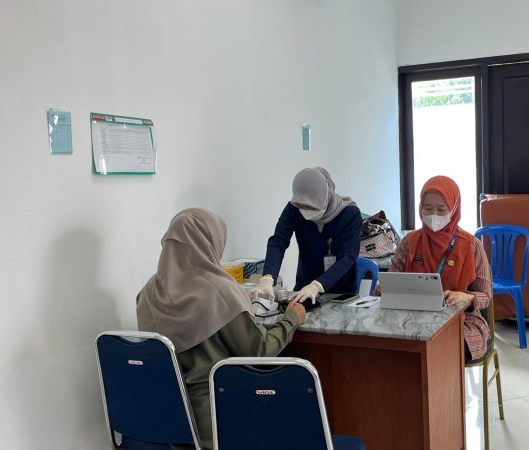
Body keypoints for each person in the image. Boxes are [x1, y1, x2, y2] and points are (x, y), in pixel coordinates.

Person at [136, 208, 306, 450]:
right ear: (209, 241)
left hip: (170, 421)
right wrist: (291, 319)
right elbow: (259, 350)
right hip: (220, 421)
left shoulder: (147, 293)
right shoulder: (218, 291)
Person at [388, 176, 492, 361]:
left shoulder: (471, 245)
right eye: (428, 208)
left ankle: (442, 381)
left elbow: (486, 295)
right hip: (412, 317)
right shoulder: (410, 243)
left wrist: (465, 296)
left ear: (454, 209)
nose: (434, 215)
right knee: (391, 346)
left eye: (441, 209)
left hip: (461, 320)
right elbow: (390, 285)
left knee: (443, 348)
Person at [250, 167, 362, 304]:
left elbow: (348, 256)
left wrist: (317, 285)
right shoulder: (294, 209)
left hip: (340, 290)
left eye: (311, 207)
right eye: (301, 205)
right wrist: (267, 278)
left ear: (325, 197)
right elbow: (278, 242)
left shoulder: (349, 214)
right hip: (304, 287)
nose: (305, 211)